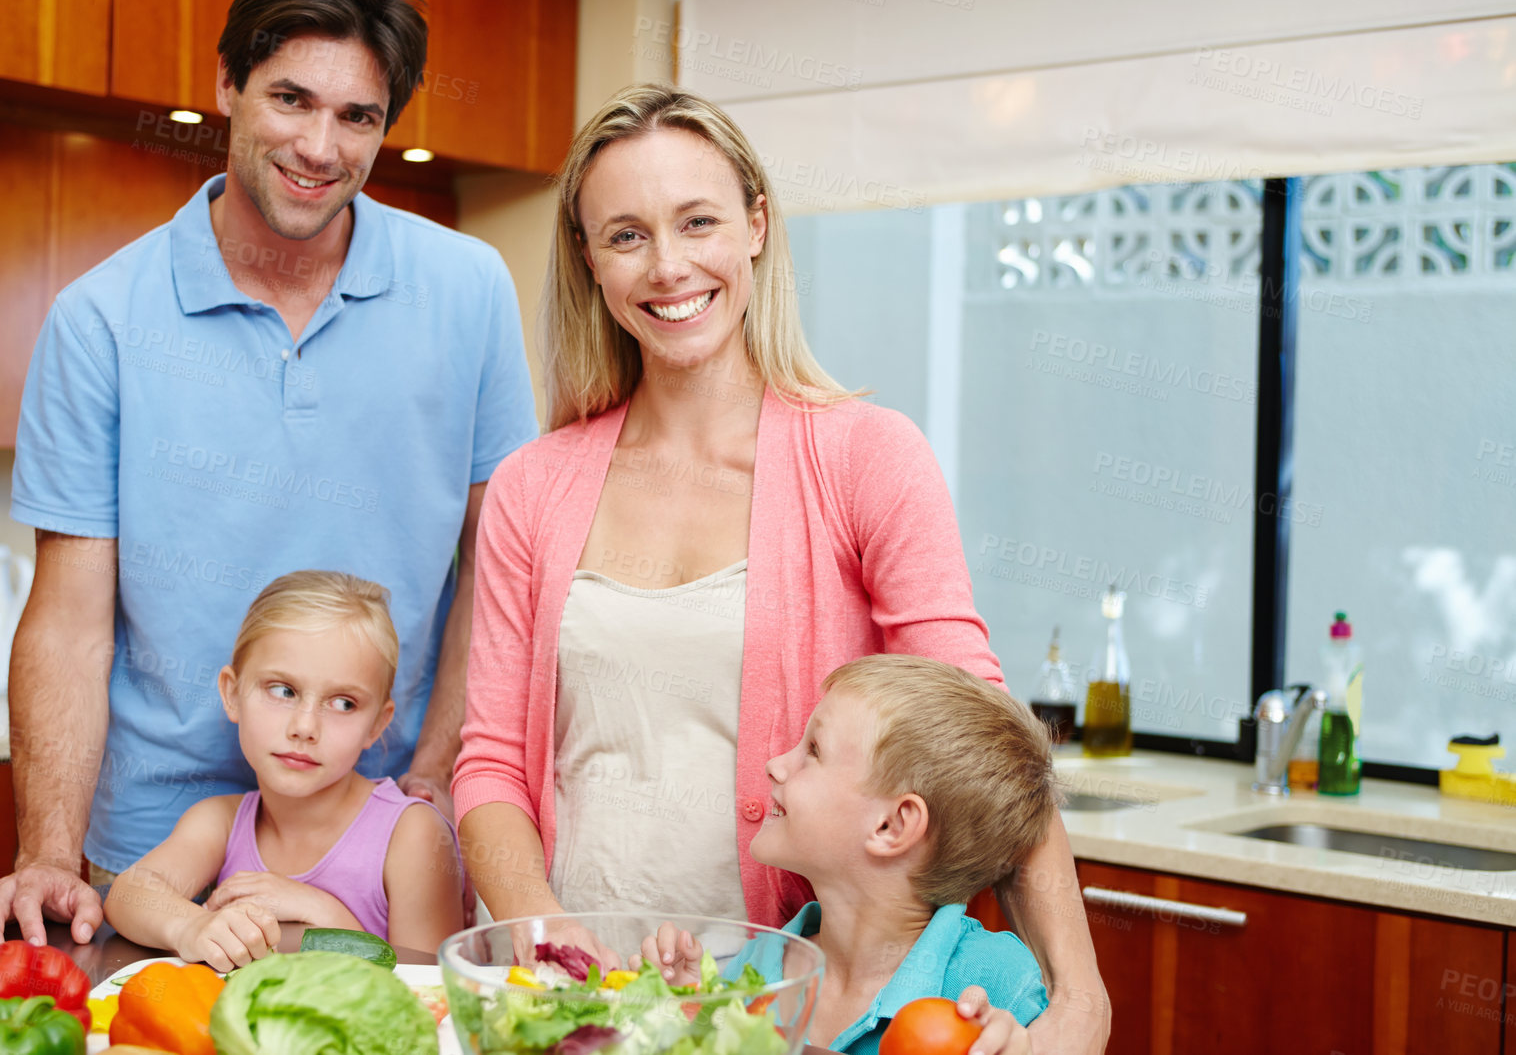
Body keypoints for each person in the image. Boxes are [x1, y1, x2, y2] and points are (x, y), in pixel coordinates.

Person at [453, 83, 1109, 1053]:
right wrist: (550, 943)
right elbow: (493, 763)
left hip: (772, 1006)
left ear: (756, 225)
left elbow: (982, 736)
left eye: (699, 221)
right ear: (589, 260)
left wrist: (1077, 991)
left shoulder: (864, 457)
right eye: (626, 235)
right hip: (577, 1003)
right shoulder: (530, 485)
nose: (668, 265)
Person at [0, 0, 537, 956]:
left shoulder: (469, 290)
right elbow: (70, 619)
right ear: (226, 86)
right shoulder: (102, 319)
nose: (319, 145)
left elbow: (498, 558)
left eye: (358, 117)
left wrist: (431, 776)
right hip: (153, 856)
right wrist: (45, 849)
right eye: (290, 98)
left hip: (387, 850)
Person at [642, 655, 1055, 1055]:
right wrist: (693, 1015)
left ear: (890, 826)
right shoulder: (758, 965)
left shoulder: (996, 983)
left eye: (815, 750)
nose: (774, 765)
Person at [104, 572, 463, 970]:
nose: (305, 728)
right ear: (232, 693)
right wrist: (193, 928)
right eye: (283, 690)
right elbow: (129, 894)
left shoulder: (412, 834)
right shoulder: (220, 821)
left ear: (377, 723)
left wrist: (324, 913)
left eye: (343, 703)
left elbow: (433, 993)